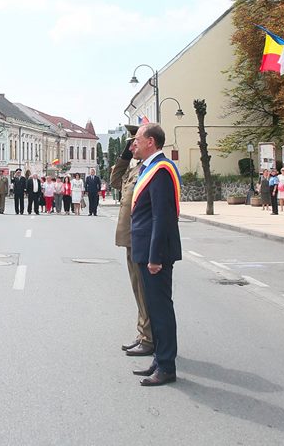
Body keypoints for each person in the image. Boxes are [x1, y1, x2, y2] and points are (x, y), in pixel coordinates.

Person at [128, 123, 181, 386]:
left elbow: (162, 217)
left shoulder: (161, 170)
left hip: (155, 253)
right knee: (154, 308)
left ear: (151, 141)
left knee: (161, 311)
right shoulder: (149, 168)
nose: (133, 145)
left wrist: (155, 256)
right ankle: (159, 360)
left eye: (137, 140)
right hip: (145, 248)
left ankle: (167, 366)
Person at [110, 125, 153, 359]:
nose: (132, 145)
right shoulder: (136, 168)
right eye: (130, 143)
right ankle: (143, 332)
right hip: (130, 237)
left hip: (140, 237)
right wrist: (125, 156)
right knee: (138, 288)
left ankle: (149, 337)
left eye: (134, 141)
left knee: (144, 290)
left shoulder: (151, 170)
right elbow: (116, 180)